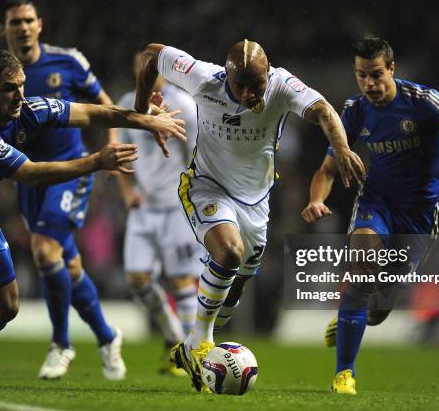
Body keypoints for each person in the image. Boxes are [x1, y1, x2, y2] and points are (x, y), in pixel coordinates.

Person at [0, 48, 185, 387]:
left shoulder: (28, 110)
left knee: (8, 306)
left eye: (21, 84)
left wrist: (146, 120)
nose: (19, 94)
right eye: (8, 87)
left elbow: (94, 113)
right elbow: (30, 174)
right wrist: (96, 160)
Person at [135, 40, 365, 392]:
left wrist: (343, 147)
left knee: (235, 286)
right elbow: (152, 54)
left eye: (255, 85)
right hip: (206, 186)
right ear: (226, 74)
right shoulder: (202, 77)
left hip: (256, 201)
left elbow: (323, 110)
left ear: (267, 74)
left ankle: (192, 345)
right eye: (239, 84)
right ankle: (198, 343)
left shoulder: (282, 85)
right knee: (228, 252)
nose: (246, 93)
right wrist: (141, 112)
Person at [301, 37, 439, 395]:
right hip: (377, 203)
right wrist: (316, 199)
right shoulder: (356, 110)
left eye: (376, 74)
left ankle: (350, 318)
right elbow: (327, 169)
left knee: (378, 309)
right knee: (360, 272)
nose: (369, 84)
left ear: (392, 69)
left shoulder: (424, 102)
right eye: (361, 76)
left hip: (419, 216)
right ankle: (344, 374)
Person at [0, 0, 122, 380]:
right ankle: (106, 335)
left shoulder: (67, 61)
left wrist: (111, 147)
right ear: (4, 29)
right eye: (15, 21)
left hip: (72, 170)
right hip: (31, 177)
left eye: (28, 19)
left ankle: (61, 344)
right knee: (66, 265)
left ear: (40, 24)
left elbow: (104, 104)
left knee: (44, 248)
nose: (22, 26)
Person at [116, 50, 202, 376]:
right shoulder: (126, 104)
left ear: (166, 70)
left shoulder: (185, 106)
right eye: (143, 68)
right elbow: (121, 155)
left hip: (177, 207)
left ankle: (189, 352)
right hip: (143, 208)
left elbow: (198, 157)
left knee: (182, 279)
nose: (148, 73)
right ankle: (174, 338)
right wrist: (128, 193)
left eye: (153, 68)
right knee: (137, 279)